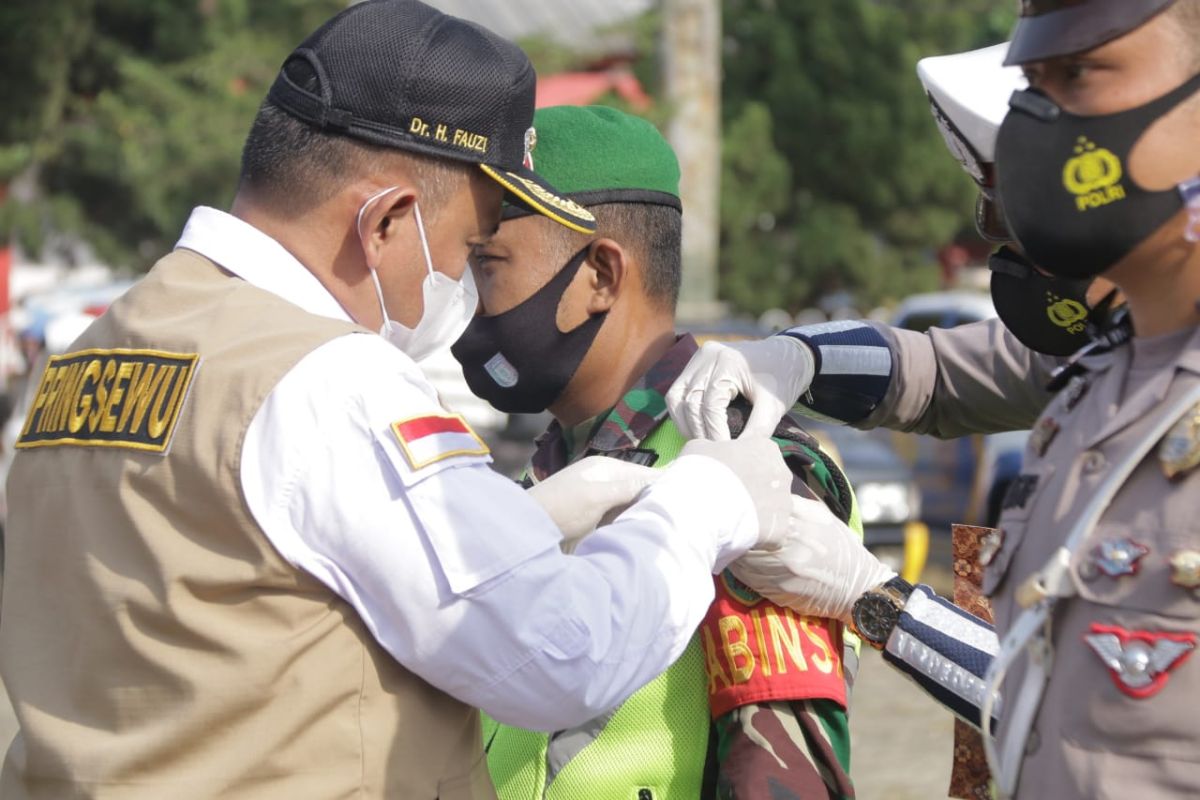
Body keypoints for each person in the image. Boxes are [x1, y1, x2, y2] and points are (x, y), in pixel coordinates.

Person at [0, 3, 799, 797]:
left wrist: (522, 526)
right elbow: (563, 655)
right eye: (468, 248)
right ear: (386, 222)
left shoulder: (98, 347)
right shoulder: (323, 379)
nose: (461, 287)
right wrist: (707, 501)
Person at [670, 1, 1200, 797]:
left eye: (1081, 75)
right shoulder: (1107, 366)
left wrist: (871, 598)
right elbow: (941, 368)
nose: (1043, 143)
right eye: (1035, 86)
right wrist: (791, 359)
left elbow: (1042, 702)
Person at [454, 105, 861, 800]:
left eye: (486, 266)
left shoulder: (746, 465)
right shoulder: (552, 462)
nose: (467, 301)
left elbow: (782, 780)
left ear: (603, 276)